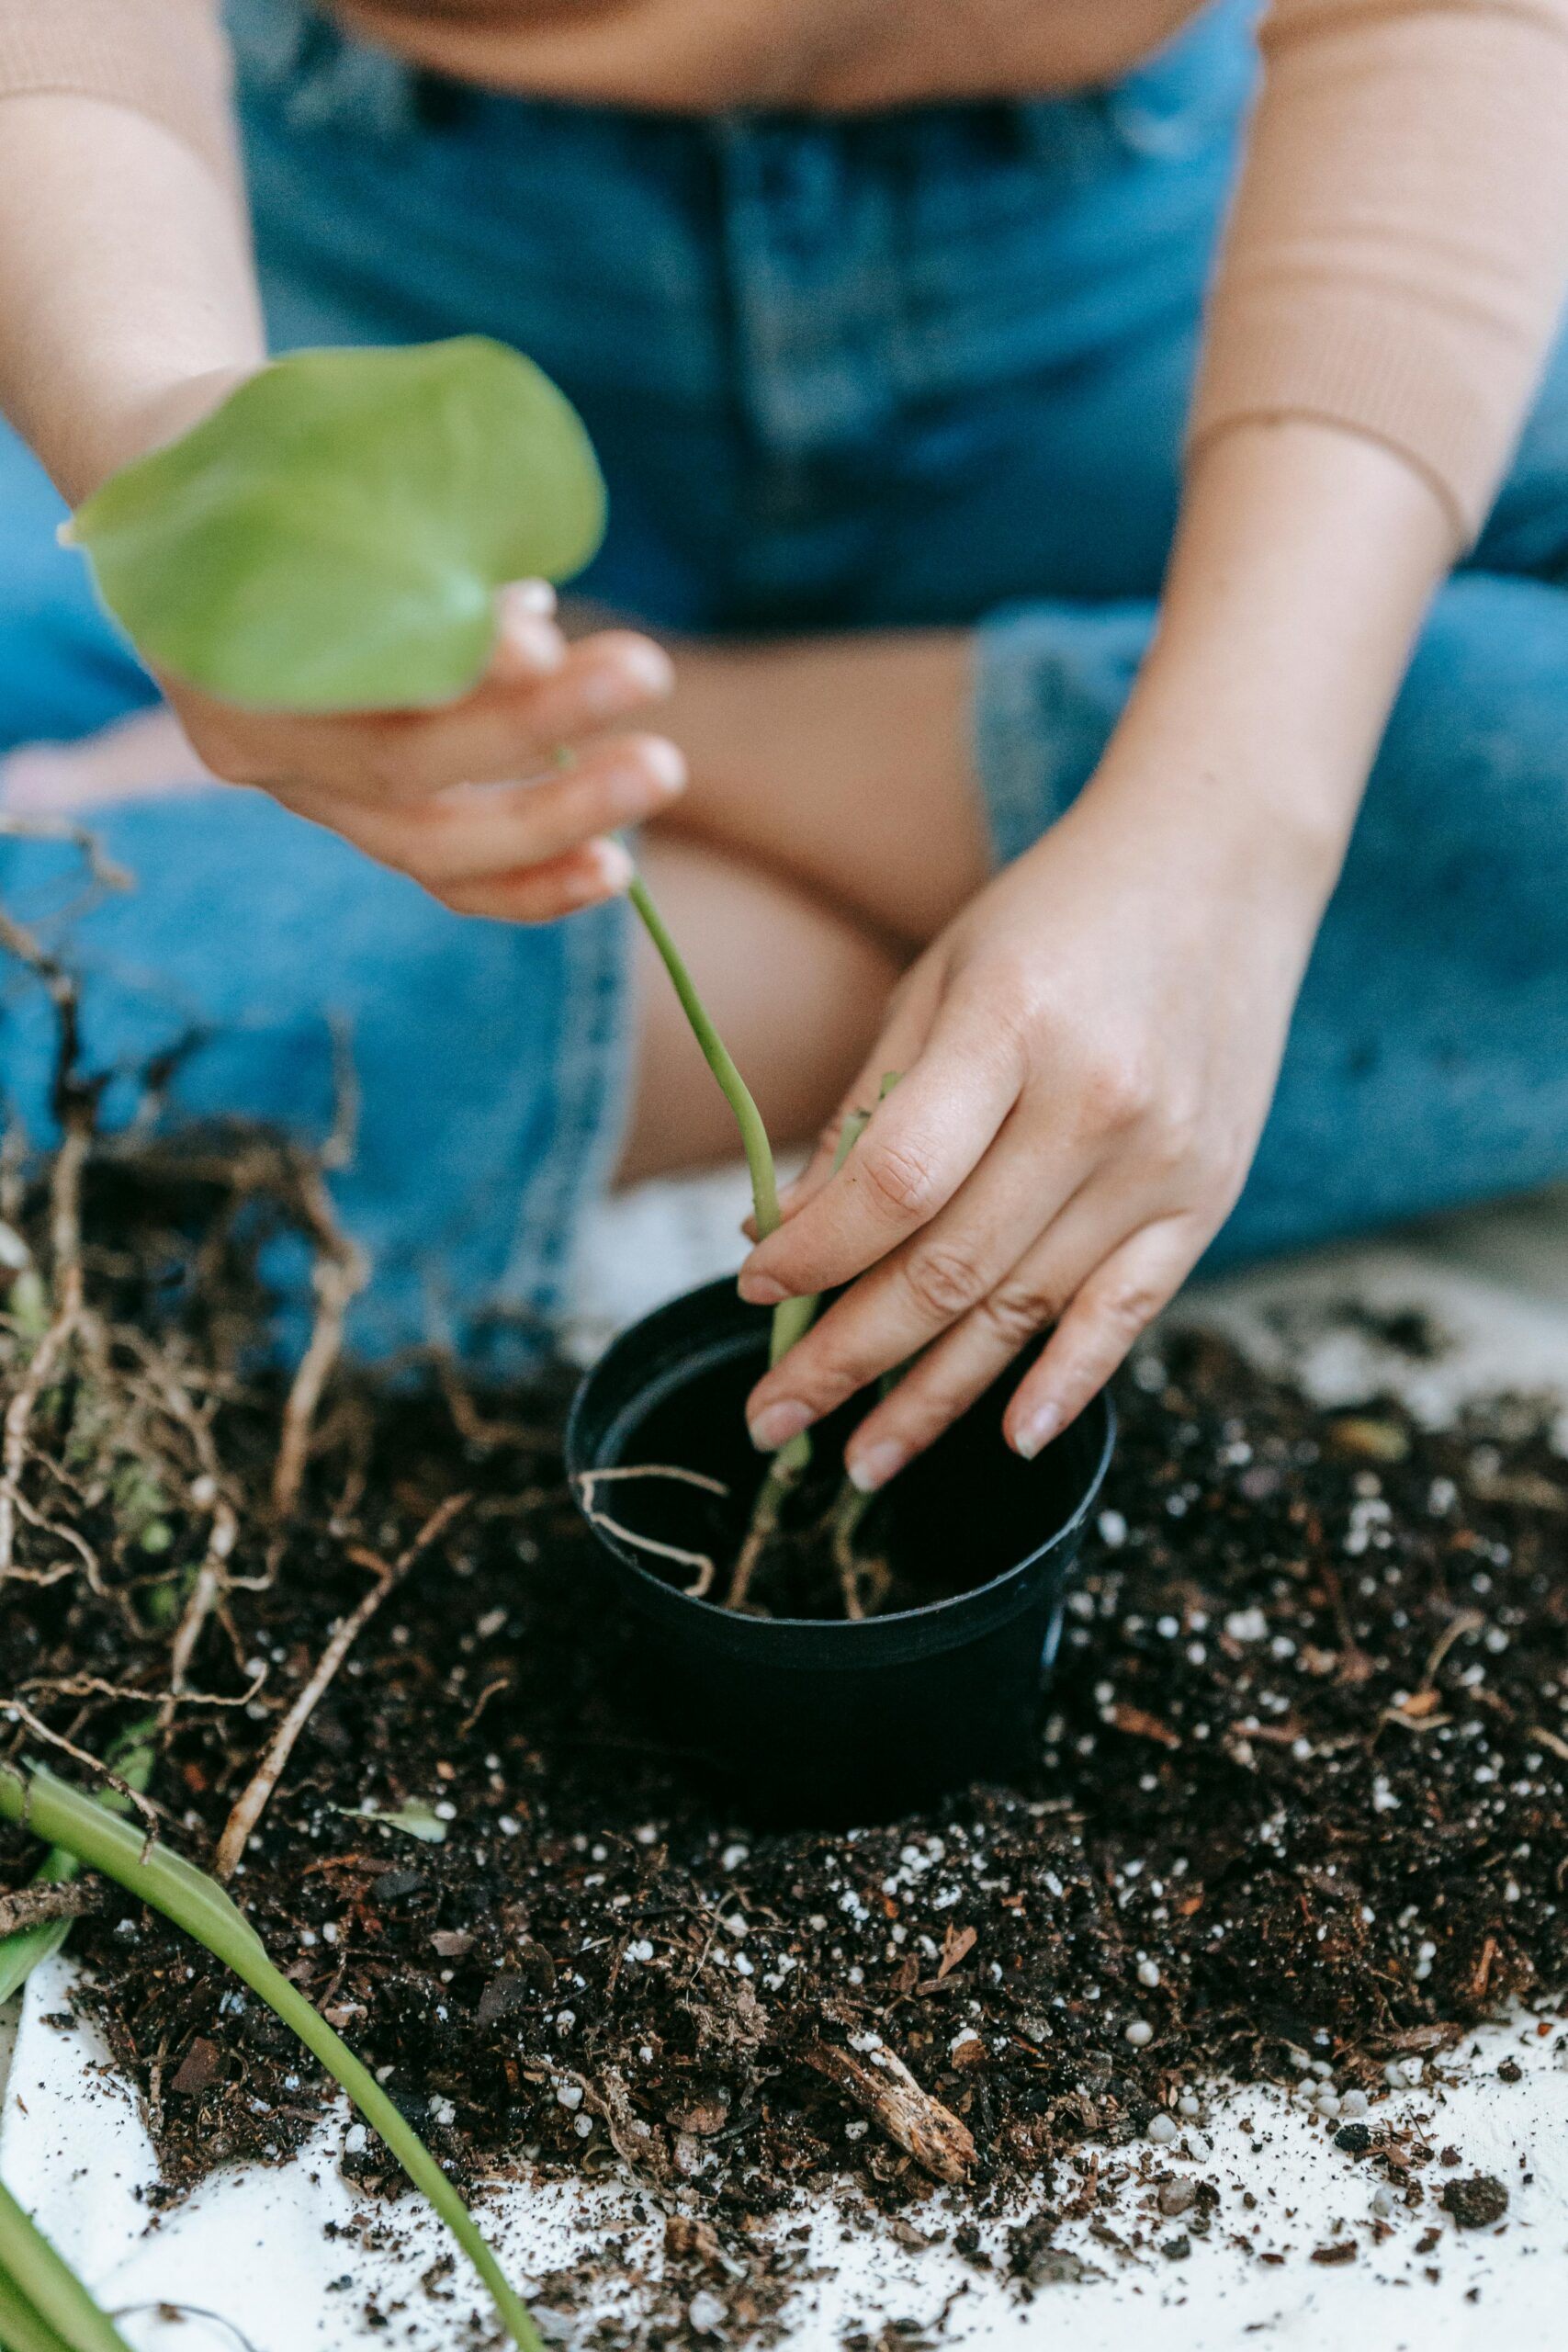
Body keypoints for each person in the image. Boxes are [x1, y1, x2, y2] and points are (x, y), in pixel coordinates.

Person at [1, 0, 1567, 1493]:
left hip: (1166, 276)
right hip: (341, 268)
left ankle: (683, 744)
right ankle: (985, 994)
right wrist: (167, 446)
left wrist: (1225, 838)